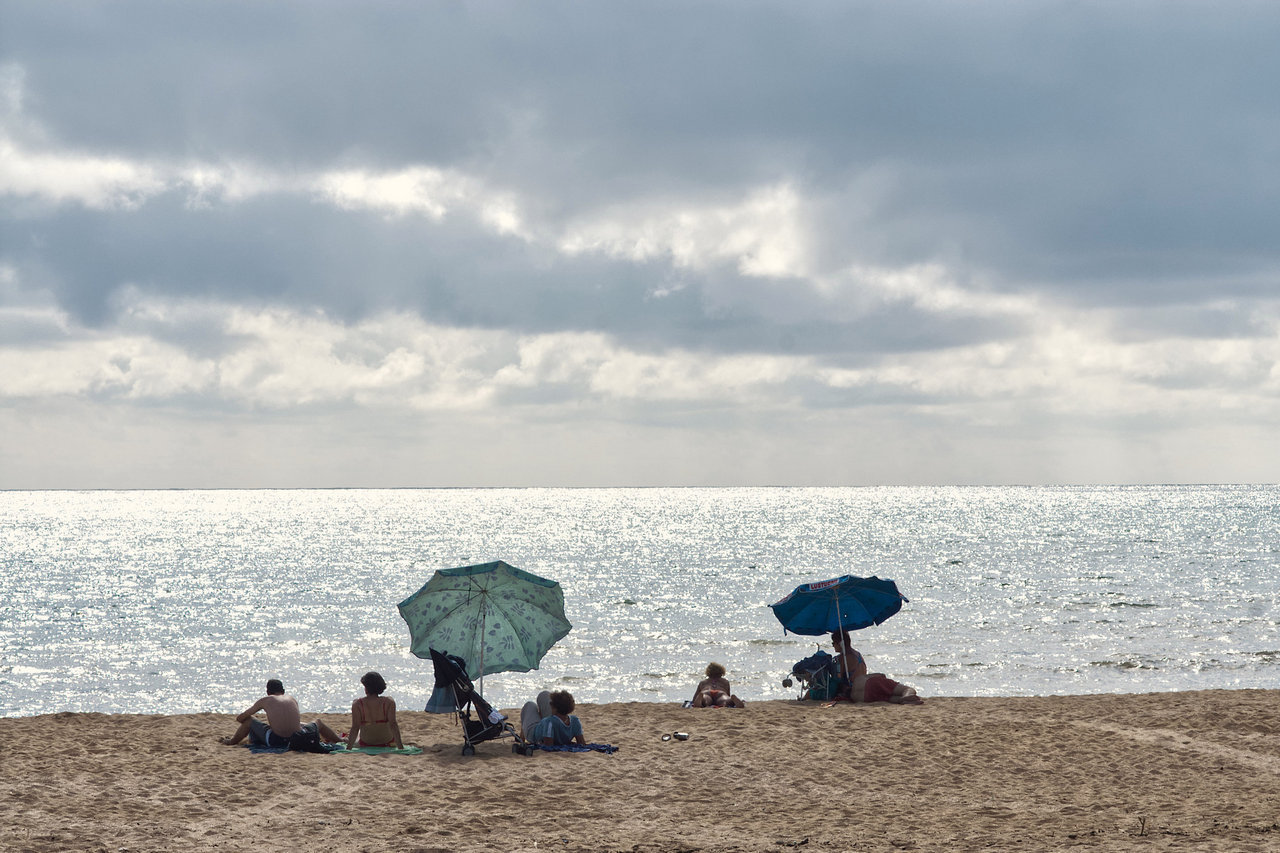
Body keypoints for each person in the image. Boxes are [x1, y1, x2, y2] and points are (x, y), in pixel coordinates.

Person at [219, 678, 341, 747]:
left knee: (249, 721)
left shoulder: (266, 700)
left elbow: (241, 718)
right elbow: (294, 723)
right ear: (283, 691)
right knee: (317, 722)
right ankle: (338, 740)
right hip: (299, 738)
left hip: (277, 740)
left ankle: (232, 742)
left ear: (268, 692)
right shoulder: (291, 698)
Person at [831, 630, 923, 705]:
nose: (833, 645)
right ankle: (907, 697)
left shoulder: (841, 659)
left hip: (856, 696)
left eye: (833, 643)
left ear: (840, 643)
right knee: (908, 689)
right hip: (865, 683)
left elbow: (837, 680)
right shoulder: (857, 655)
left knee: (889, 698)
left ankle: (905, 700)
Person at [346, 671, 403, 749]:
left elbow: (355, 727)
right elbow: (393, 724)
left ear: (366, 687)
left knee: (357, 733)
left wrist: (348, 748)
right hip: (386, 741)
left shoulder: (357, 704)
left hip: (366, 742)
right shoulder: (389, 702)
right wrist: (400, 747)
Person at [520, 690, 586, 746]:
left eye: (551, 704)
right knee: (544, 694)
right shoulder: (575, 720)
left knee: (530, 705)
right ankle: (540, 715)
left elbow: (548, 745)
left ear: (554, 708)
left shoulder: (549, 722)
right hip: (547, 724)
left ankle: (522, 735)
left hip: (534, 733)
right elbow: (581, 743)